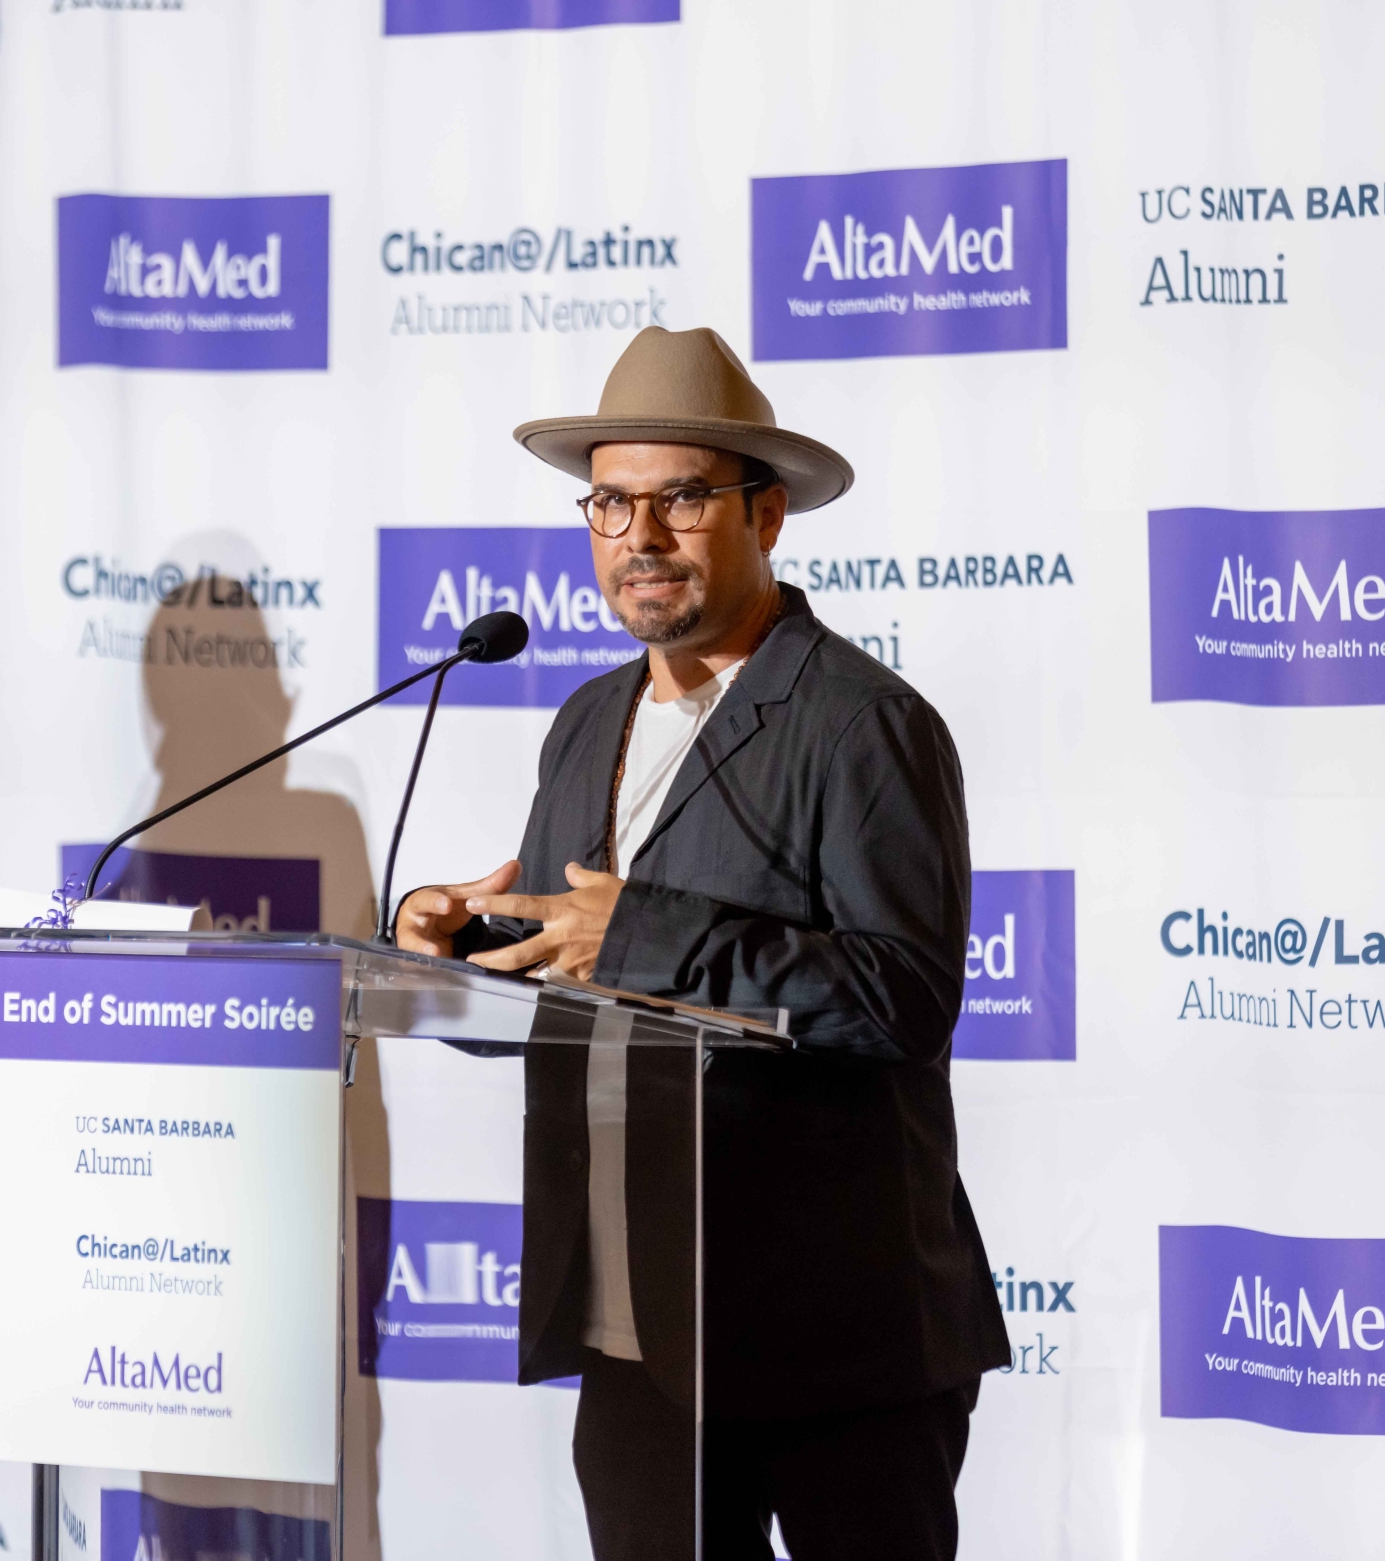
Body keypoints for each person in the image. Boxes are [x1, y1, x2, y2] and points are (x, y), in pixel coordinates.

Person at [395, 327, 1009, 1561]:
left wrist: (648, 936)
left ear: (766, 515)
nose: (642, 538)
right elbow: (567, 973)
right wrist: (452, 955)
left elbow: (904, 998)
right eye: (611, 503)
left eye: (681, 497)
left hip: (842, 1330)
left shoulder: (862, 722)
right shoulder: (585, 720)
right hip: (641, 1321)